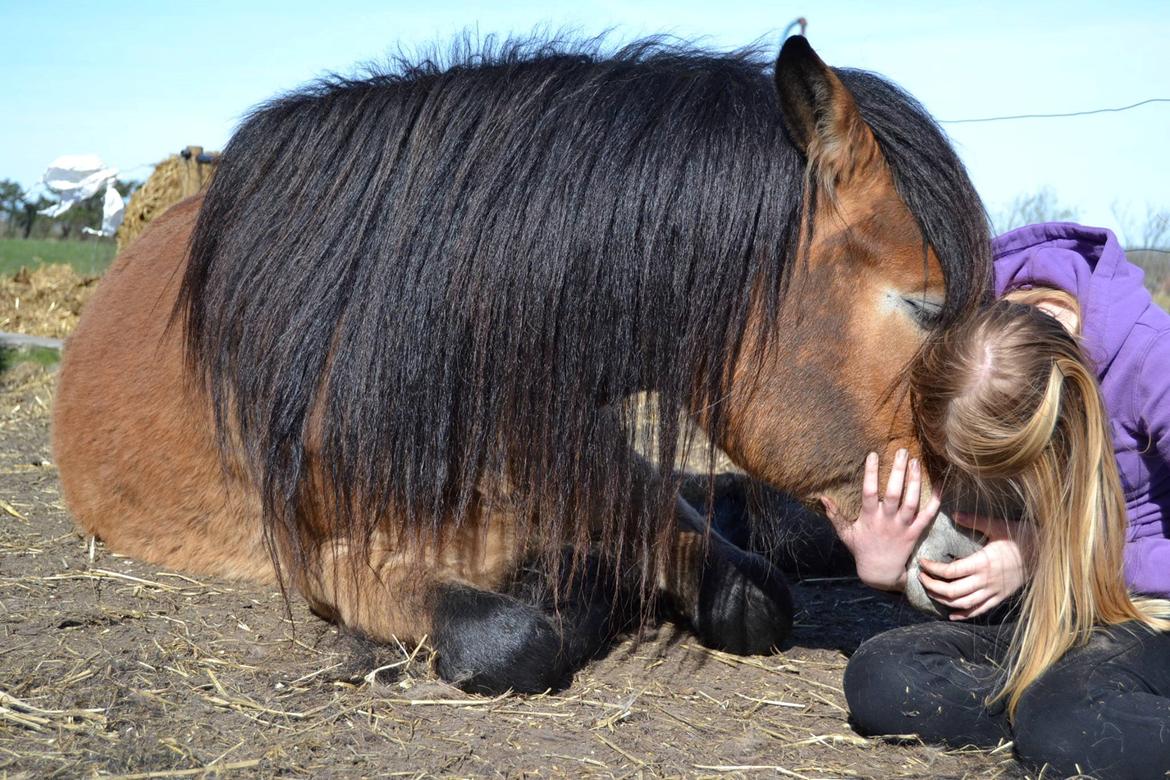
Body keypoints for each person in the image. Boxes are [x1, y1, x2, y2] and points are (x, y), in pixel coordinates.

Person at [829, 223, 1170, 777]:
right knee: (882, 674)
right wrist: (893, 571)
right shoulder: (964, 328)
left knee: (1068, 728)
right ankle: (1062, 709)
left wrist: (1049, 554)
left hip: (1147, 607)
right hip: (1054, 605)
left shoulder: (1157, 363)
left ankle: (1064, 714)